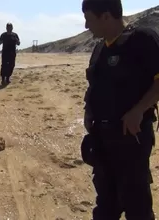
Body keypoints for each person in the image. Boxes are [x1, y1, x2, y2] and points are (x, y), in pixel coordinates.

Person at [81, 0, 159, 219]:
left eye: (89, 19)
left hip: (131, 138)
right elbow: (94, 87)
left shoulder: (142, 40)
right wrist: (89, 111)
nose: (87, 26)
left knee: (137, 205)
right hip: (102, 140)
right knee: (105, 205)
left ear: (106, 16)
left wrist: (139, 110)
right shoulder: (98, 50)